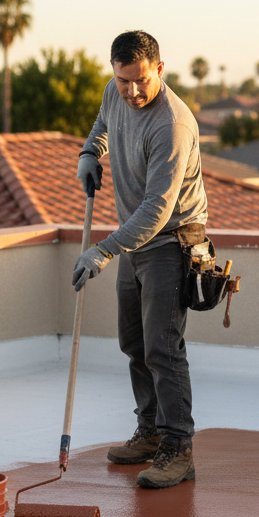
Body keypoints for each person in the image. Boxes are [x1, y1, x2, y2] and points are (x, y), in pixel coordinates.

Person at [73, 30, 208, 489]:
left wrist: (104, 250)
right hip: (134, 239)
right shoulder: (116, 92)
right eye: (123, 80)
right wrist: (91, 150)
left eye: (141, 80)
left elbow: (156, 210)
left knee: (162, 348)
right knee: (134, 342)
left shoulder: (172, 124)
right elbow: (103, 119)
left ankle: (178, 448)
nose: (131, 91)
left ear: (160, 70)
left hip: (170, 240)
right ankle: (149, 431)